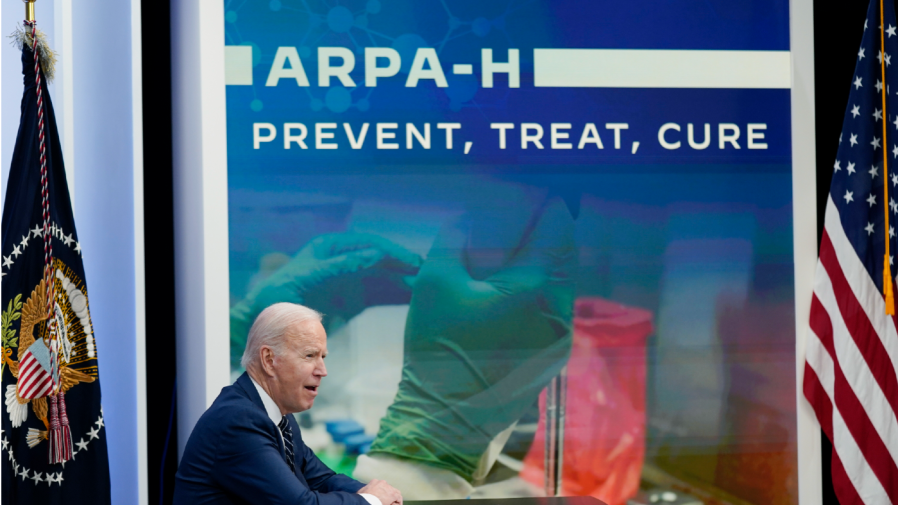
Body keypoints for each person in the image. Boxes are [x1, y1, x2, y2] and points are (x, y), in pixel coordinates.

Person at [174, 303, 403, 505]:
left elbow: (321, 479)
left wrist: (375, 495)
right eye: (310, 356)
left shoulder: (278, 416)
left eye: (323, 357)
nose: (323, 371)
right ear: (269, 360)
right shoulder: (237, 421)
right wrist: (371, 500)